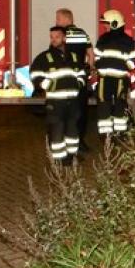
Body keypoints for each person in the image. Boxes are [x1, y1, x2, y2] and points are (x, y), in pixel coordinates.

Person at [30, 26, 85, 165]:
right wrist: (48, 86)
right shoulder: (44, 57)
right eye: (52, 37)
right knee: (57, 131)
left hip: (73, 101)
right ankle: (59, 161)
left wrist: (78, 84)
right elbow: (35, 75)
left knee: (73, 131)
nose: (54, 40)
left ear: (64, 38)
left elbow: (82, 73)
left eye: (57, 37)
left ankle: (72, 157)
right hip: (55, 102)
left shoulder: (73, 56)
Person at [55, 8, 94, 152]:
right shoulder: (82, 33)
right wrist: (88, 71)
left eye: (58, 19)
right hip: (80, 79)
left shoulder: (60, 35)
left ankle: (67, 143)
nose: (56, 21)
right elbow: (91, 54)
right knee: (81, 111)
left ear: (67, 19)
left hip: (65, 79)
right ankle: (80, 142)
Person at [94, 10, 135, 138]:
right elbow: (132, 62)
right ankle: (120, 134)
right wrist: (126, 68)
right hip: (120, 79)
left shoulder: (103, 39)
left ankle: (105, 135)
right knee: (120, 104)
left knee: (104, 105)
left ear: (114, 23)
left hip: (104, 79)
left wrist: (99, 67)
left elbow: (97, 59)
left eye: (106, 23)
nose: (104, 26)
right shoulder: (128, 40)